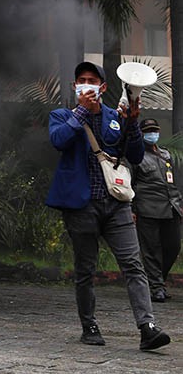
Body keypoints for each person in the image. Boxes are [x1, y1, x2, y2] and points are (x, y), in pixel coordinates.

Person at [45, 61, 170, 351]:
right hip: (81, 206)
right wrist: (81, 112)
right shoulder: (62, 116)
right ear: (75, 86)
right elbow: (59, 141)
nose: (87, 84)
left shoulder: (116, 116)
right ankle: (89, 325)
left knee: (133, 265)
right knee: (85, 270)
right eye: (82, 80)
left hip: (116, 204)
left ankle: (147, 327)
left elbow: (135, 155)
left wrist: (132, 123)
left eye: (93, 80)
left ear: (103, 87)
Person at [132, 118, 183, 303]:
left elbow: (172, 182)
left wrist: (179, 204)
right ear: (141, 134)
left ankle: (156, 281)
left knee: (173, 247)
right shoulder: (135, 156)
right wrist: (132, 209)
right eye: (148, 131)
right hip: (148, 207)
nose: (152, 134)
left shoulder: (165, 154)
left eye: (154, 130)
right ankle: (157, 288)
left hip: (171, 207)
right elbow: (130, 184)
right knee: (151, 249)